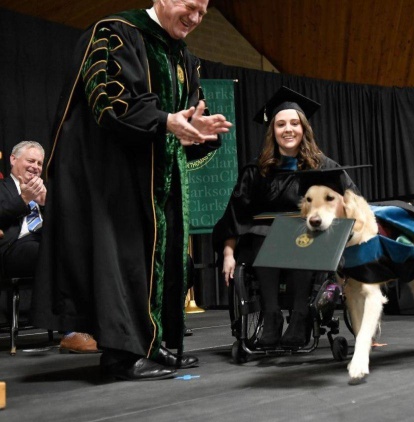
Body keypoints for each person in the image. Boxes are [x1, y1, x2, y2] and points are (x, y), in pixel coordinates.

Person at [32, 0, 232, 381]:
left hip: (158, 175)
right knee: (123, 260)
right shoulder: (115, 32)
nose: (195, 18)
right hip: (113, 175)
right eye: (190, 6)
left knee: (161, 258)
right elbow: (106, 101)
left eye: (203, 12)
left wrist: (198, 130)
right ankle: (122, 355)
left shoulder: (184, 57)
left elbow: (185, 116)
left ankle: (153, 344)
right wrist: (165, 121)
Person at [214, 86, 357, 348]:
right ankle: (271, 317)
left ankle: (301, 316)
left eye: (294, 123)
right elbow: (235, 214)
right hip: (263, 243)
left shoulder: (323, 167)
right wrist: (227, 254)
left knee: (300, 233)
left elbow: (353, 203)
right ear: (273, 131)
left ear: (304, 129)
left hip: (310, 242)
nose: (288, 129)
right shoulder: (257, 170)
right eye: (281, 124)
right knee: (262, 234)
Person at [0, 141, 98, 354]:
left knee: (81, 249)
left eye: (39, 163)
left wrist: (48, 205)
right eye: (30, 161)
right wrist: (24, 199)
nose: (35, 166)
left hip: (43, 242)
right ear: (13, 159)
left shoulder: (46, 191)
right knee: (55, 252)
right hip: (12, 249)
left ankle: (94, 325)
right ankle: (70, 331)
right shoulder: (3, 187)